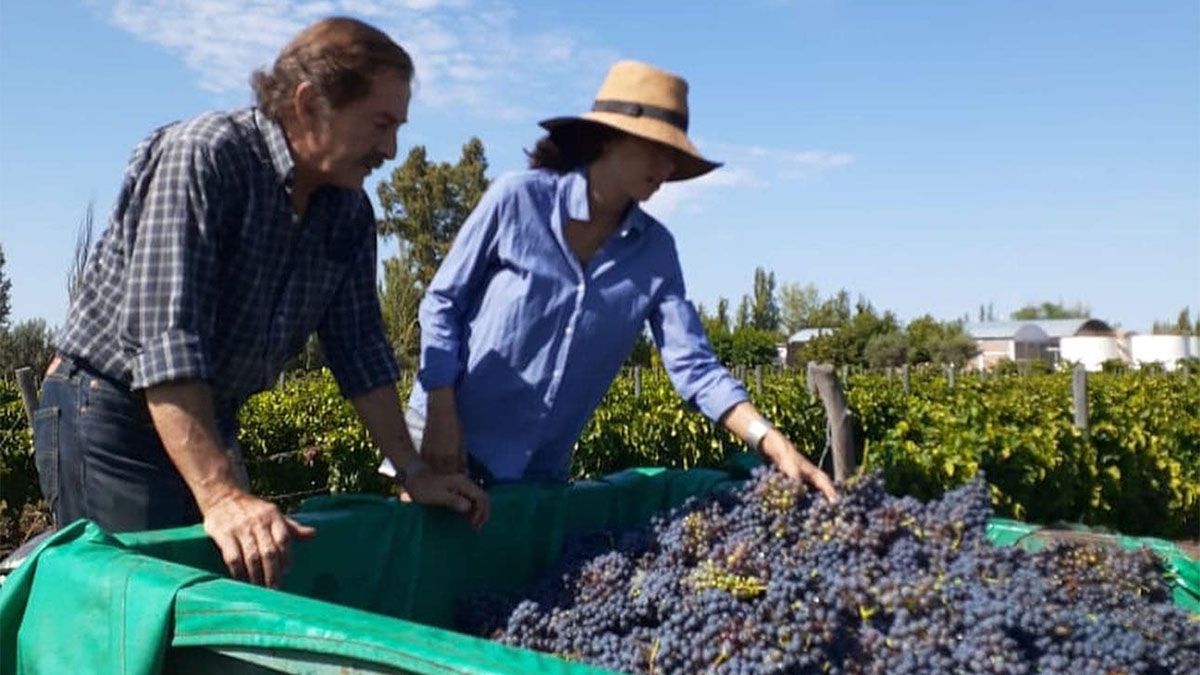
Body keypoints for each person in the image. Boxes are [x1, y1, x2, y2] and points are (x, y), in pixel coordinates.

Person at [32, 17, 488, 589]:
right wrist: (220, 494)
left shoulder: (347, 211)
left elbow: (362, 352)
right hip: (111, 415)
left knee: (227, 585)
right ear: (309, 103)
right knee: (137, 599)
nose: (391, 150)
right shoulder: (206, 156)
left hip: (206, 415)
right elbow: (166, 340)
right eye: (380, 124)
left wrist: (413, 471)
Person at [381, 60, 837, 500]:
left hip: (538, 472)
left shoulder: (655, 253)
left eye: (674, 157)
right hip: (447, 442)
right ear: (606, 140)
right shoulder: (518, 200)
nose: (666, 169)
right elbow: (442, 302)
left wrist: (770, 441)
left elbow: (694, 367)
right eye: (656, 149)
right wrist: (441, 410)